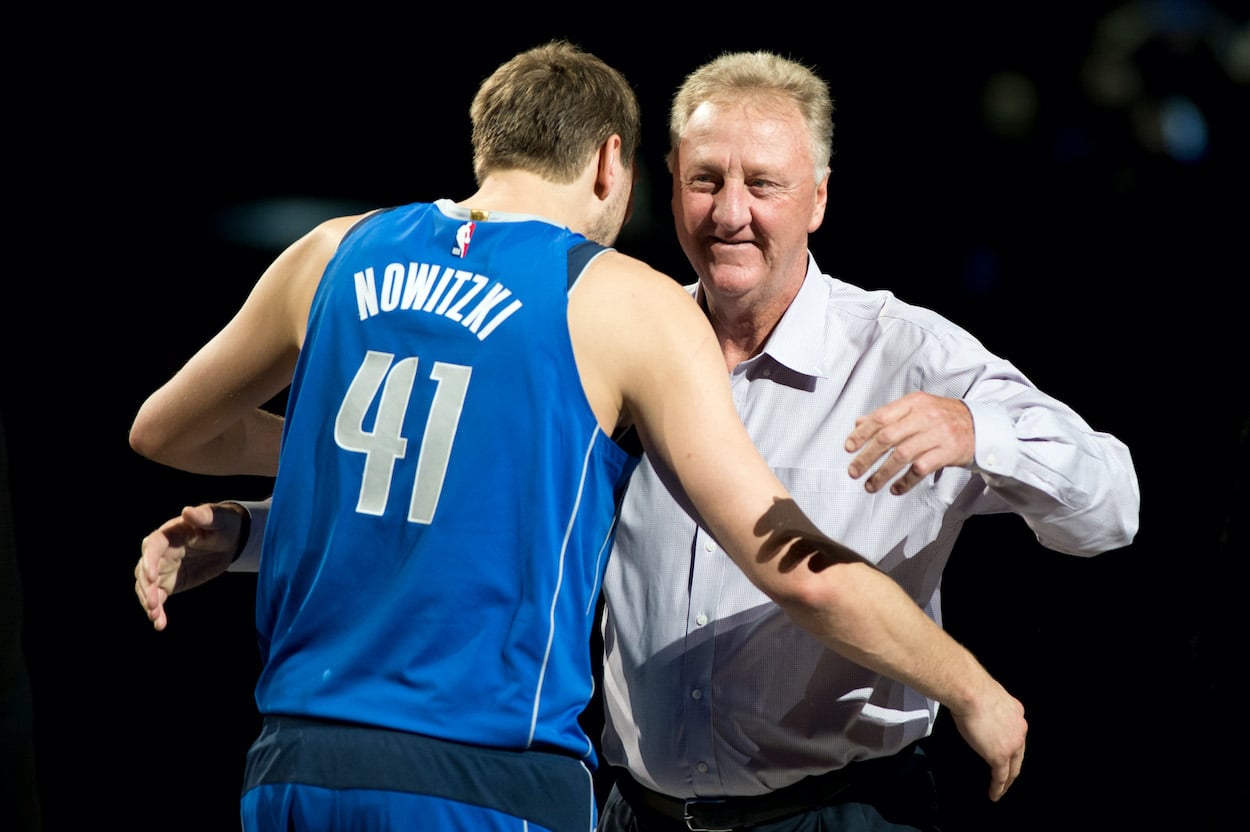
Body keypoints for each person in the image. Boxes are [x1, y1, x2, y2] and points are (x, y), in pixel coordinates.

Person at [130, 42, 1029, 832]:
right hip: (483, 775)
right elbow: (793, 566)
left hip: (293, 763)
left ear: (487, 144)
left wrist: (262, 520)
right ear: (611, 163)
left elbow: (166, 430)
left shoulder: (333, 251)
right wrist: (967, 683)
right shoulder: (615, 297)